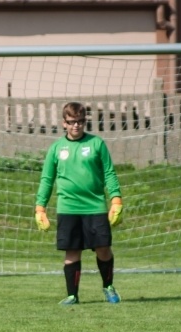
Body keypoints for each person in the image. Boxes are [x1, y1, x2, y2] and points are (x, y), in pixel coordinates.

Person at [35, 101, 123, 305]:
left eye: (80, 122)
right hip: (68, 208)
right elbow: (47, 180)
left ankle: (108, 286)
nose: (76, 125)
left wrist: (116, 199)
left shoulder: (96, 144)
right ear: (64, 123)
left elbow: (109, 173)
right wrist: (40, 207)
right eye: (72, 122)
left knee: (103, 248)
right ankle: (72, 295)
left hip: (95, 206)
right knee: (72, 252)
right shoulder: (56, 148)